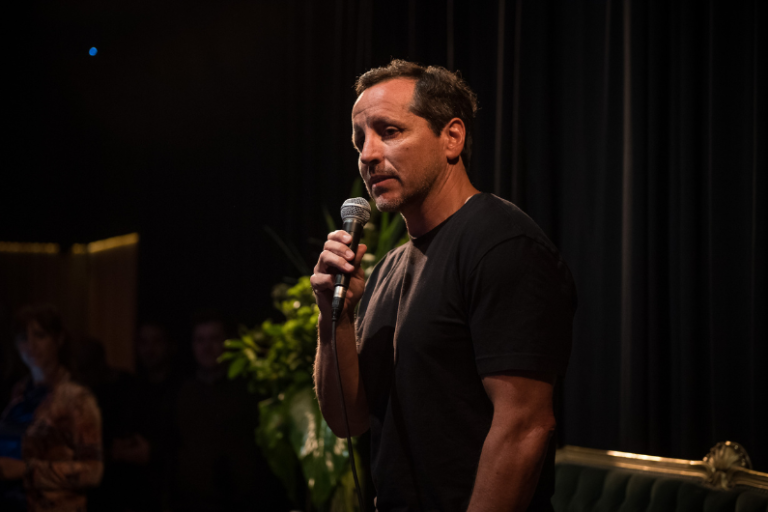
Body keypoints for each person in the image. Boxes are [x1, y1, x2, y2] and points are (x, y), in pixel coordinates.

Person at [311, 60, 576, 512]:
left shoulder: (502, 244)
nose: (368, 155)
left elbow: (525, 425)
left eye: (389, 131)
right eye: (360, 140)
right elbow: (348, 420)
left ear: (452, 137)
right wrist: (333, 316)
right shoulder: (388, 268)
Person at [168, 312, 283, 512]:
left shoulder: (250, 391)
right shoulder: (182, 393)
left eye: (214, 339)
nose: (206, 347)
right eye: (200, 340)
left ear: (229, 342)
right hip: (191, 502)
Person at [0, 304, 103, 512]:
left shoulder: (77, 398)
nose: (31, 345)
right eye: (23, 338)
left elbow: (93, 472)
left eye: (40, 335)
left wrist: (26, 470)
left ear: (59, 339)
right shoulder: (19, 391)